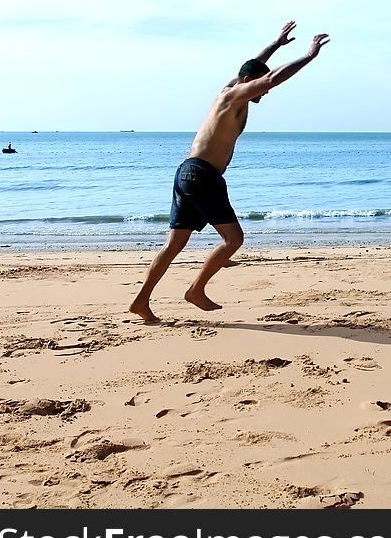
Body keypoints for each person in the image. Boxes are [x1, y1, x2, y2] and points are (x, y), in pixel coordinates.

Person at [129, 22, 330, 323]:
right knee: (233, 239)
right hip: (203, 176)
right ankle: (196, 289)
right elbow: (271, 76)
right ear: (247, 81)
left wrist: (276, 43)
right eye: (257, 85)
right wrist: (309, 55)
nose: (264, 91)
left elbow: (255, 68)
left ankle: (142, 301)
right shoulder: (234, 95)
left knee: (174, 245)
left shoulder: (229, 91)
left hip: (187, 173)